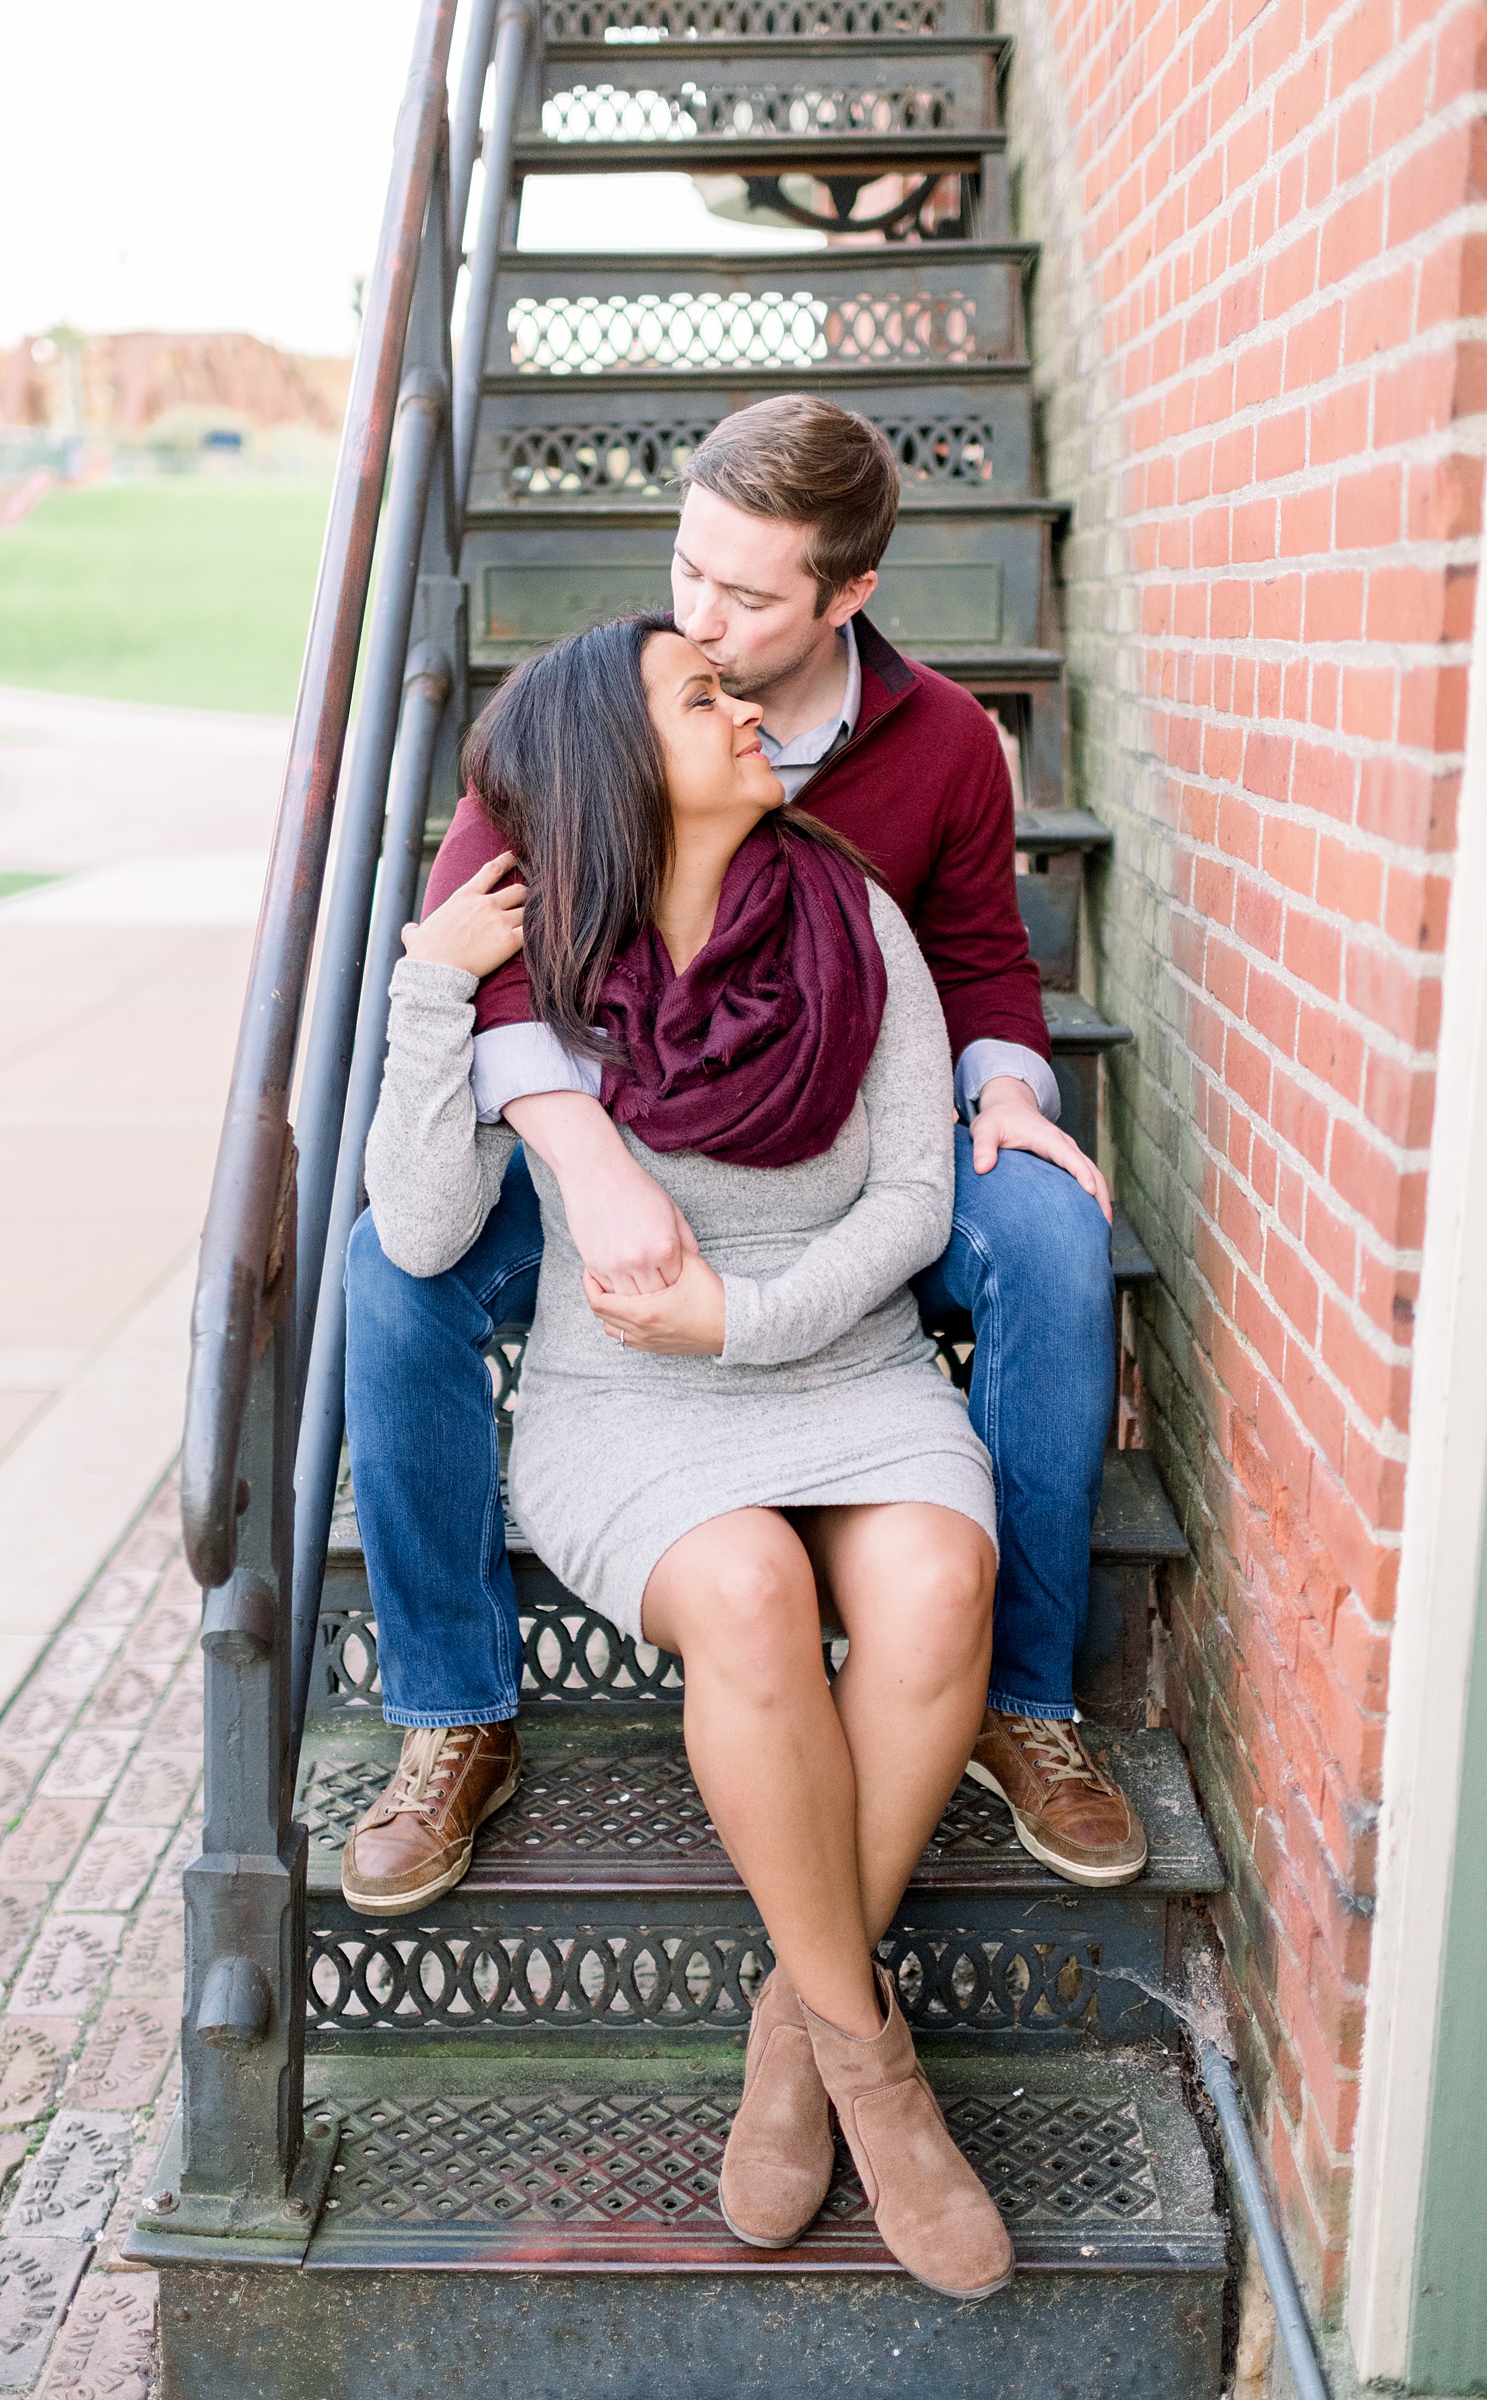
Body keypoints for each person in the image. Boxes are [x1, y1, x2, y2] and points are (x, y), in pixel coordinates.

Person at [342, 393, 1145, 1913]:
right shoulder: (602, 708)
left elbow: (977, 953)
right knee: (395, 1263)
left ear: (850, 594)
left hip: (848, 1135)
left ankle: (1022, 1703)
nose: (698, 614)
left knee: (1045, 1232)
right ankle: (453, 1711)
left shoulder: (948, 746)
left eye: (748, 591)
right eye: (687, 565)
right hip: (623, 1146)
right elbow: (483, 945)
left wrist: (1013, 1088)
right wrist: (582, 1151)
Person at [358, 610, 1014, 2297]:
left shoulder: (855, 914)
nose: (740, 709)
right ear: (613, 763)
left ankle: (801, 2023)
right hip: (625, 1400)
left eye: (726, 683)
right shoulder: (543, 956)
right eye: (697, 697)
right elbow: (423, 1237)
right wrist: (430, 985)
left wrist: (748, 1322)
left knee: (943, 1578)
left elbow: (917, 1202)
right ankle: (881, 2072)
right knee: (743, 1583)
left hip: (837, 1355)